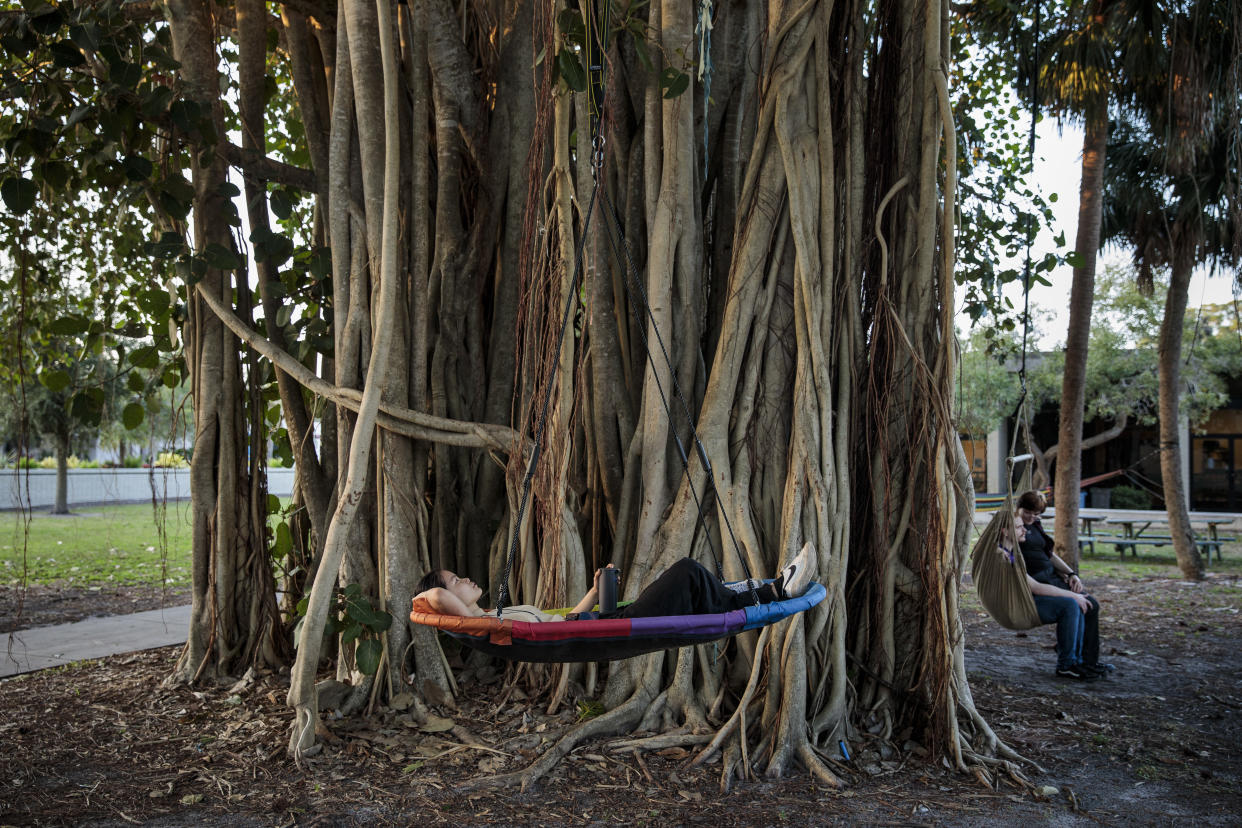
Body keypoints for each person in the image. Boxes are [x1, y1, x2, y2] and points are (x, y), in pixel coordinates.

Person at [413, 544, 816, 623]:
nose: (464, 579)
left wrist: (593, 590)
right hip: (613, 628)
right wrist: (428, 594)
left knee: (691, 588)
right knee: (688, 572)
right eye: (456, 581)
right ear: (451, 598)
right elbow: (430, 596)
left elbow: (567, 621)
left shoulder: (500, 614)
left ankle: (762, 592)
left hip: (604, 620)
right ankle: (776, 592)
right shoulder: (481, 624)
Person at [1015, 490, 1113, 680]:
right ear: (1019, 508)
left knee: (1091, 605)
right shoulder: (1015, 528)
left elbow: (1049, 555)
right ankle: (1068, 662)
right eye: (1028, 512)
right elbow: (1003, 544)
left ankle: (1087, 661)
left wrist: (1070, 574)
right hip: (1039, 584)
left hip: (1052, 578)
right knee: (1074, 604)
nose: (1031, 518)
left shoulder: (1034, 525)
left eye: (1036, 514)